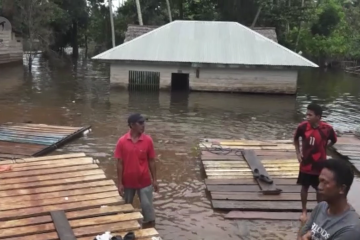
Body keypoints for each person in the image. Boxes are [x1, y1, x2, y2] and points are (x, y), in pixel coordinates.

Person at [294, 103, 337, 222]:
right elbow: (295, 138)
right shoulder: (303, 127)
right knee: (304, 187)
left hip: (320, 164)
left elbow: (333, 140)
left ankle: (319, 212)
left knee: (320, 188)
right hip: (306, 163)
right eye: (306, 114)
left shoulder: (327, 128)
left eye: (310, 115)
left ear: (318, 116)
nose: (307, 117)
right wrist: (298, 153)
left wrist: (325, 147)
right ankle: (304, 211)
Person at [114, 113, 159, 228]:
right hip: (127, 181)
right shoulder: (122, 141)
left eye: (144, 122)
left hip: (144, 180)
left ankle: (149, 229)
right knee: (126, 208)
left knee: (148, 209)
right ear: (132, 125)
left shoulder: (148, 140)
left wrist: (155, 180)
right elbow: (120, 163)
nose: (143, 125)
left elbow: (151, 161)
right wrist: (119, 183)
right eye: (140, 123)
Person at [298, 159, 360, 240]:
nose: (319, 187)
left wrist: (305, 233)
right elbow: (300, 236)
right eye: (319, 181)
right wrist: (303, 226)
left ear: (342, 188)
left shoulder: (350, 229)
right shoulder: (321, 207)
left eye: (325, 182)